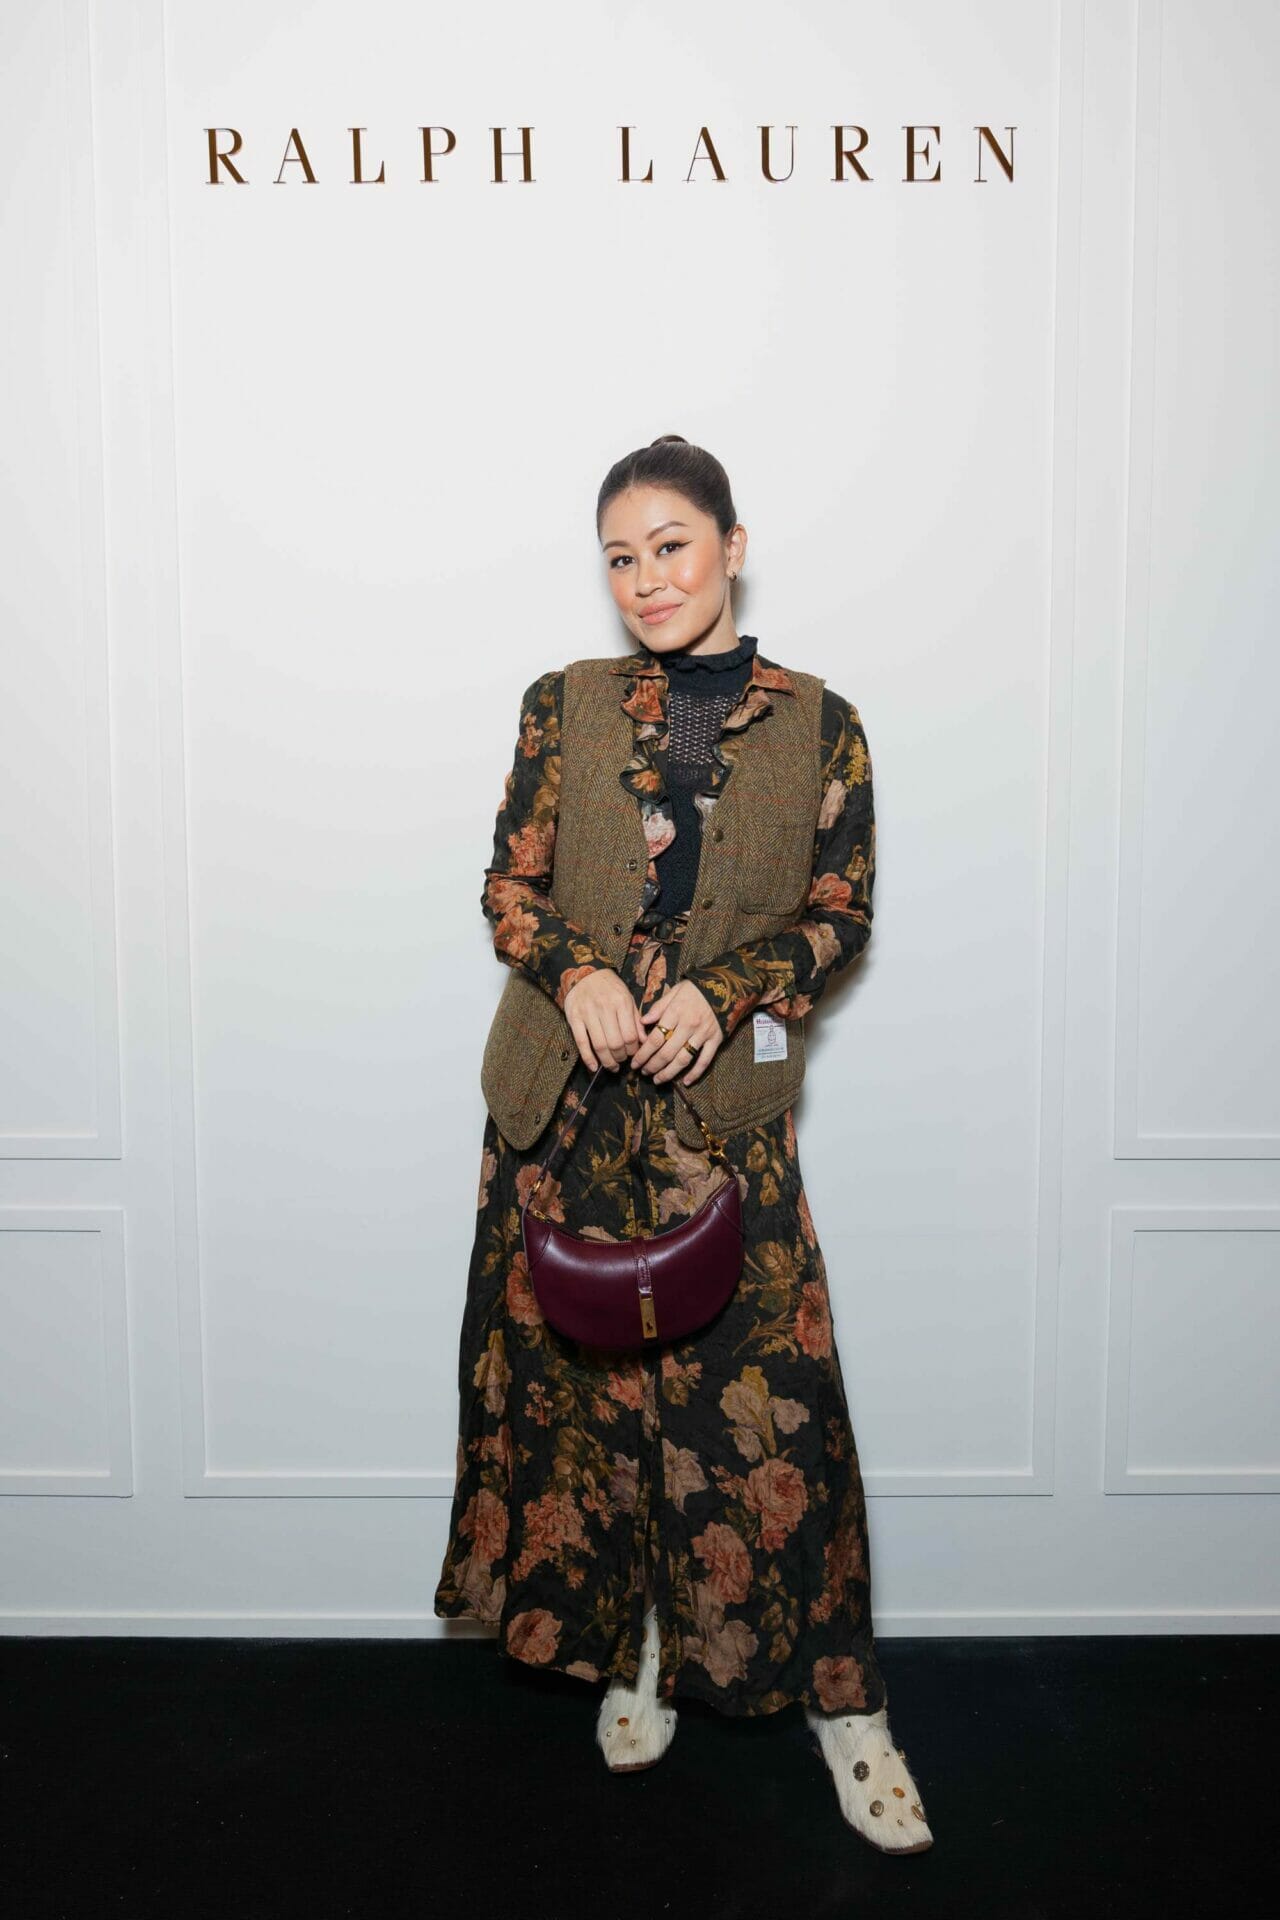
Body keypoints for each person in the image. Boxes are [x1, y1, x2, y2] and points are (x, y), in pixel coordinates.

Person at [433, 434, 933, 1853]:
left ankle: (848, 1708)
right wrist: (577, 969)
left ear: (732, 547)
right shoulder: (564, 705)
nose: (647, 579)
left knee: (774, 1408)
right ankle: (637, 1645)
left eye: (671, 546)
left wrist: (729, 993)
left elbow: (841, 913)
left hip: (721, 1119)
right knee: (589, 1409)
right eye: (620, 557)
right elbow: (509, 885)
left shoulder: (825, 722)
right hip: (564, 1114)